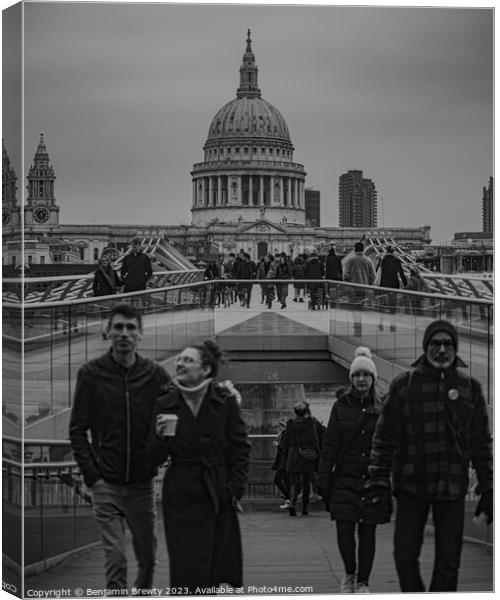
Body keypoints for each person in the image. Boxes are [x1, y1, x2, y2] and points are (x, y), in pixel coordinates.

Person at [368, 320, 493, 592]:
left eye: (447, 344)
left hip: (451, 487)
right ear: (426, 348)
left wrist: (489, 487)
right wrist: (378, 482)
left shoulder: (470, 388)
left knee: (449, 564)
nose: (441, 349)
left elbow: (481, 443)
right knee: (404, 556)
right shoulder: (404, 386)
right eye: (435, 343)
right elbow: (384, 438)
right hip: (411, 485)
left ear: (455, 348)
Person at [69, 303, 171, 593]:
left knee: (148, 558)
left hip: (141, 484)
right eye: (118, 327)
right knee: (116, 559)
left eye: (130, 328)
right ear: (107, 332)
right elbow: (77, 429)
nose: (124, 333)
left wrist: (220, 393)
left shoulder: (154, 375)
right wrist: (93, 477)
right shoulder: (91, 374)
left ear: (140, 334)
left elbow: (179, 412)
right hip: (106, 484)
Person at [149, 340, 251, 594]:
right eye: (179, 359)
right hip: (181, 493)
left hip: (217, 491)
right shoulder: (165, 402)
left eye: (187, 360)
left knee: (214, 566)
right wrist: (160, 438)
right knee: (185, 568)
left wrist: (233, 489)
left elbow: (239, 448)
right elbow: (153, 458)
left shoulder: (224, 401)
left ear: (205, 369)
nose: (179, 364)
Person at [317, 348, 390, 593]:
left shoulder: (382, 408)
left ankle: (363, 582)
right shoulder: (340, 406)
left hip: (372, 479)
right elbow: (330, 445)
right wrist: (323, 477)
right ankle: (350, 572)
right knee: (344, 530)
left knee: (368, 532)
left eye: (366, 375)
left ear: (373, 379)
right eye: (357, 374)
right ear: (351, 378)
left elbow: (392, 443)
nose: (361, 379)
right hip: (345, 478)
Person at [282, 402, 321, 516]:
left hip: (293, 454)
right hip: (307, 455)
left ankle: (292, 505)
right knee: (306, 482)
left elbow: (285, 441)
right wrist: (317, 454)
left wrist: (287, 454)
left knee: (294, 483)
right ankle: (304, 507)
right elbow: (314, 440)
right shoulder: (310, 423)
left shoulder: (290, 423)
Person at [343, 242, 377, 336]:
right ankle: (359, 325)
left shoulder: (350, 260)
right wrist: (367, 284)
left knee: (354, 309)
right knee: (361, 308)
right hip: (364, 289)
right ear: (363, 249)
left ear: (355, 249)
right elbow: (374, 276)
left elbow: (345, 275)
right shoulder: (368, 261)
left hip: (353, 289)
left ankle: (357, 326)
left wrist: (349, 283)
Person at [376, 246, 408, 331]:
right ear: (393, 252)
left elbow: (377, 272)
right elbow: (401, 273)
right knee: (392, 307)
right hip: (394, 285)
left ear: (386, 251)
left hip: (383, 285)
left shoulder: (383, 260)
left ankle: (381, 324)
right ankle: (392, 326)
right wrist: (406, 285)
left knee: (382, 306)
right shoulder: (396, 260)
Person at [92, 255, 122, 338]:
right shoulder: (98, 272)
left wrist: (127, 279)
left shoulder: (113, 272)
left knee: (111, 315)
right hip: (103, 296)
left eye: (105, 260)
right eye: (102, 261)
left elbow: (119, 283)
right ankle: (105, 332)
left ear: (109, 262)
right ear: (100, 262)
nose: (104, 262)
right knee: (104, 316)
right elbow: (94, 285)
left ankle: (109, 330)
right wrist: (97, 294)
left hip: (111, 295)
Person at [271, 420, 291, 509]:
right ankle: (288, 500)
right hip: (284, 462)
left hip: (283, 463)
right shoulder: (283, 434)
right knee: (286, 481)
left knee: (277, 480)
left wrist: (277, 445)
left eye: (280, 426)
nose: (279, 429)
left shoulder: (286, 435)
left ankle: (289, 497)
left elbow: (284, 449)